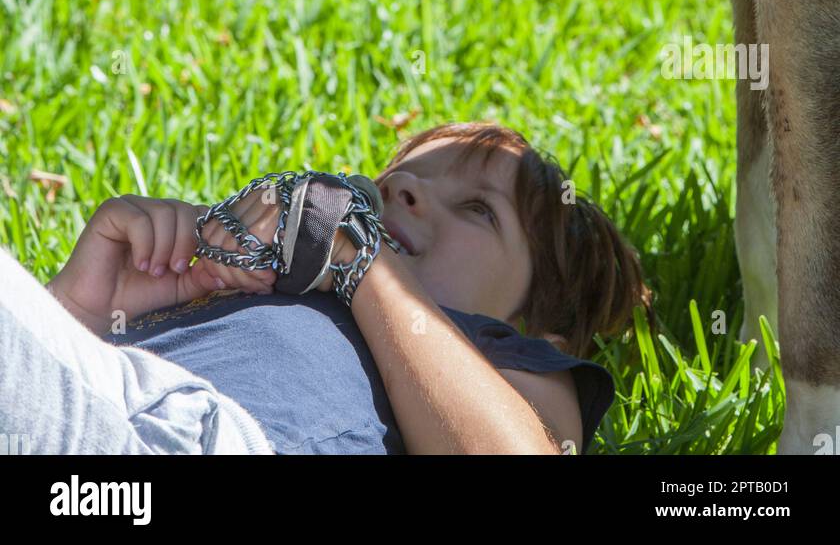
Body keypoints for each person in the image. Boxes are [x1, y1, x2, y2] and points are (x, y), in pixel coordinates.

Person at [3, 121, 650, 455]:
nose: (406, 190)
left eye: (479, 208)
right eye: (404, 178)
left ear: (538, 334)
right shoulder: (285, 288)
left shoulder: (505, 357)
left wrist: (360, 258)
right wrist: (80, 312)